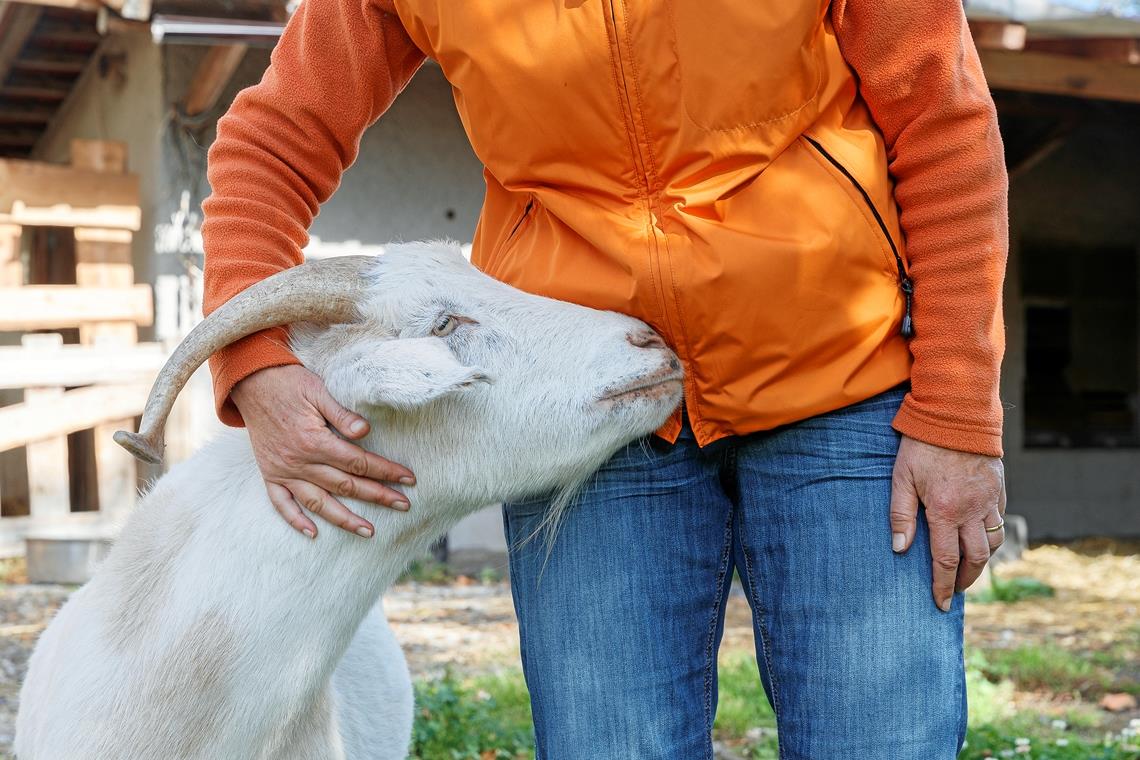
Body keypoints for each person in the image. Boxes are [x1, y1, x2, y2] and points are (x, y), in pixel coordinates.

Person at [201, 1, 1008, 757]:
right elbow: (274, 142)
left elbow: (943, 124)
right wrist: (252, 359)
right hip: (586, 408)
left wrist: (957, 411)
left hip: (844, 378)